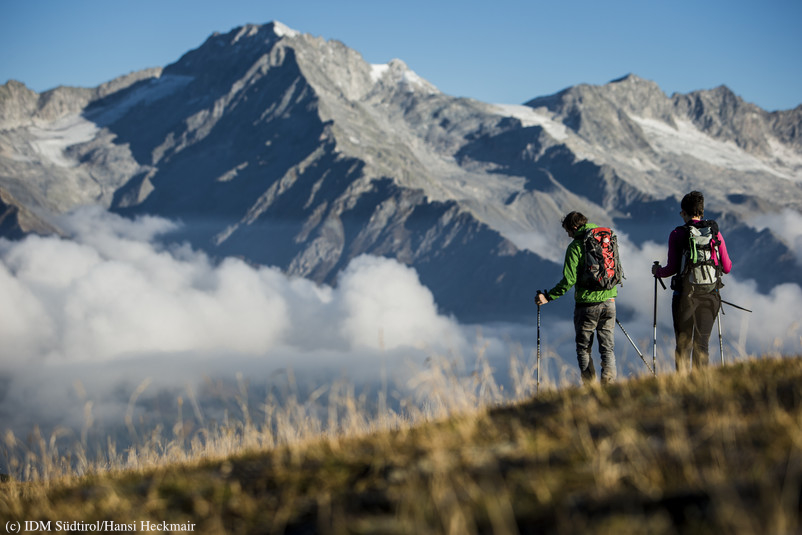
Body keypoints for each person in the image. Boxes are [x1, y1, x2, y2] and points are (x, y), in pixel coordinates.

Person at [652, 191, 732, 373]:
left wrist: (657, 272)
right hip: (710, 296)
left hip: (684, 298)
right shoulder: (715, 234)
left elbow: (671, 269)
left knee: (683, 345)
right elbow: (727, 267)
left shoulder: (677, 234)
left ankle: (681, 387)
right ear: (701, 211)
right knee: (701, 345)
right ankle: (701, 388)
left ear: (684, 213)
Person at [536, 211, 618, 385]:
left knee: (584, 349)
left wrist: (548, 297)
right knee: (607, 349)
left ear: (573, 227)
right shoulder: (605, 240)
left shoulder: (575, 247)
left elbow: (569, 280)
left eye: (568, 232)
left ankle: (590, 388)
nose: (568, 235)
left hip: (587, 305)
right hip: (609, 301)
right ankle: (610, 387)